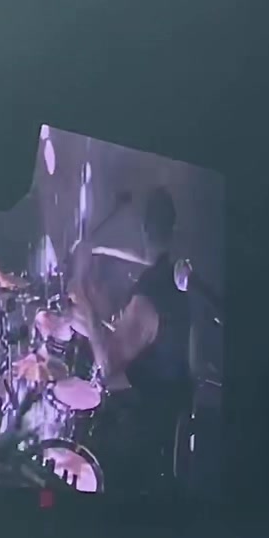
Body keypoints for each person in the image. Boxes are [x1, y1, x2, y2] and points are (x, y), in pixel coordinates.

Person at [73, 186, 192, 489]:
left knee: (84, 439)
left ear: (143, 229)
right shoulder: (176, 278)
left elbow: (107, 364)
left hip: (145, 433)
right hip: (169, 411)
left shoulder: (151, 292)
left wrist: (83, 292)